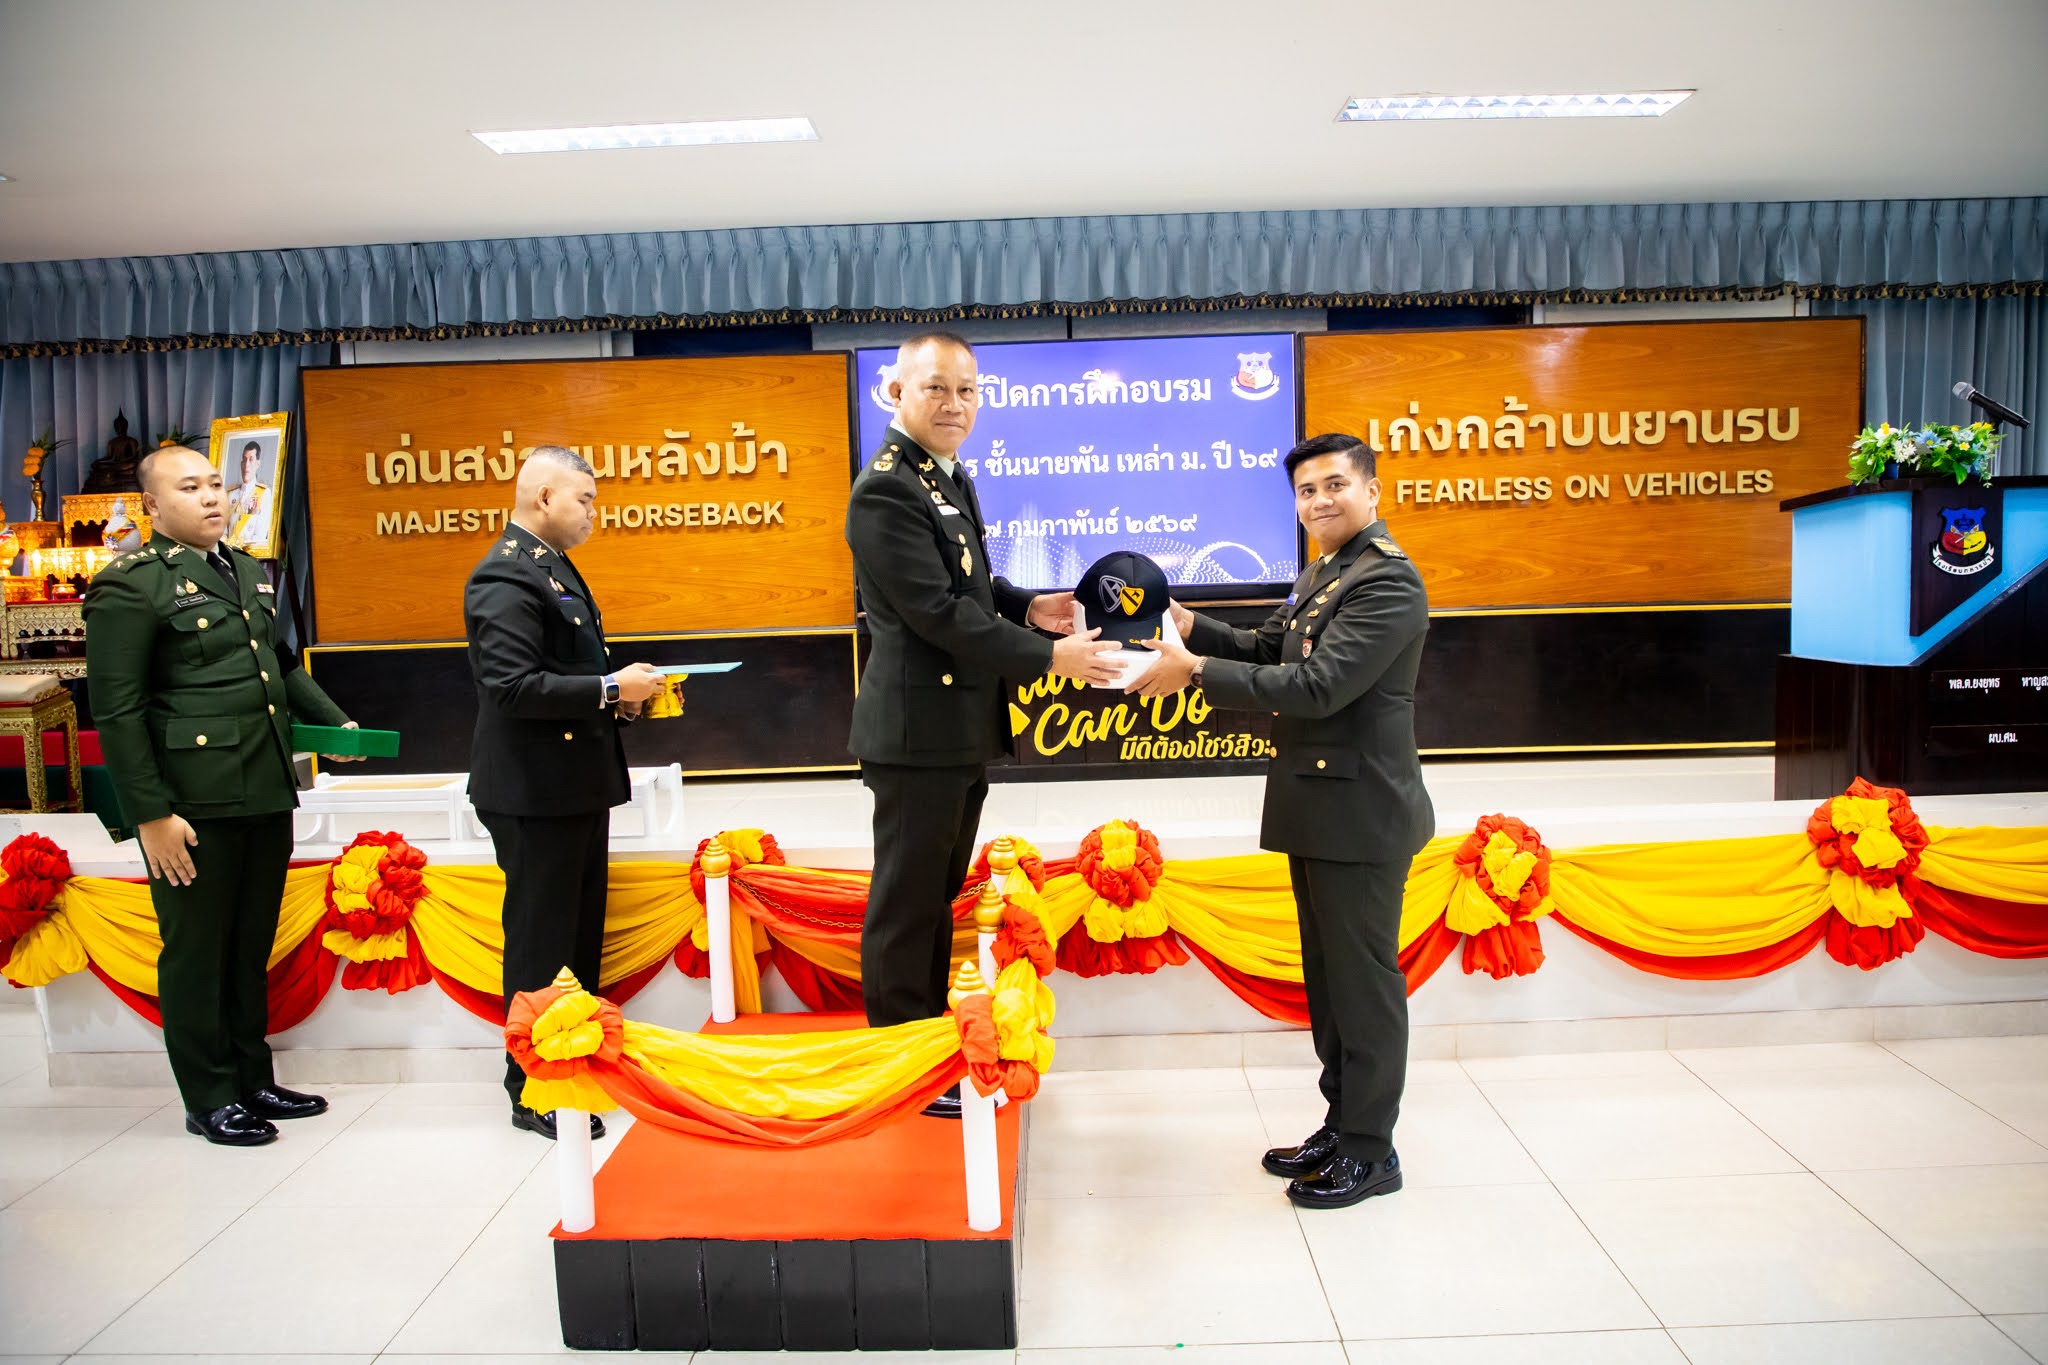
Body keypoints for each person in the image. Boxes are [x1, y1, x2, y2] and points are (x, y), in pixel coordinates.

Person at [1129, 432, 1432, 1208]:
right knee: (1330, 982)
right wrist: (1186, 622)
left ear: (1372, 490)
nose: (1319, 500)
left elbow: (1320, 685)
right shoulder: (1326, 571)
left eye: (1335, 484)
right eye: (1306, 490)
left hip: (1362, 811)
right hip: (1320, 806)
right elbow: (1269, 647)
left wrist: (1194, 671)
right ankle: (1343, 1122)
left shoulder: (1387, 580)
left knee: (1363, 987)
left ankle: (1372, 1150)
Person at [845, 332, 1118, 1115]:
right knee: (907, 903)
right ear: (896, 391)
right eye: (936, 387)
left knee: (933, 895)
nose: (954, 404)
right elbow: (936, 612)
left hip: (953, 724)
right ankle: (902, 1063)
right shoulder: (886, 489)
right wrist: (1051, 655)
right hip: (916, 730)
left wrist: (1026, 605)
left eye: (967, 390)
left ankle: (924, 1041)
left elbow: (969, 581)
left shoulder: (944, 474)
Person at [84, 445, 364, 1146]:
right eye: (190, 488)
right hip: (192, 804)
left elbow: (279, 667)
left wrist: (337, 724)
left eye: (215, 483)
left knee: (247, 948)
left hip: (263, 788)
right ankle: (208, 1095)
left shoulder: (243, 569)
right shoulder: (132, 584)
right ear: (152, 506)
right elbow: (117, 711)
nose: (212, 496)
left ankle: (251, 1078)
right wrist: (150, 814)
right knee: (198, 951)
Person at [463, 445, 663, 1139]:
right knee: (542, 942)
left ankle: (571, 1060)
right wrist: (609, 687)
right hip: (533, 791)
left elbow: (564, 671)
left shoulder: (550, 566)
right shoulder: (504, 574)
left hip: (571, 784)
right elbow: (511, 687)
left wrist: (619, 698)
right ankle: (533, 1085)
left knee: (577, 938)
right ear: (544, 496)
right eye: (585, 499)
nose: (594, 512)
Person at [226, 439, 273, 549]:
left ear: (257, 464)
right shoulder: (231, 494)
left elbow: (260, 535)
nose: (246, 465)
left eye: (251, 460)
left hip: (248, 553)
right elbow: (223, 531)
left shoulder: (264, 493)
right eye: (244, 459)